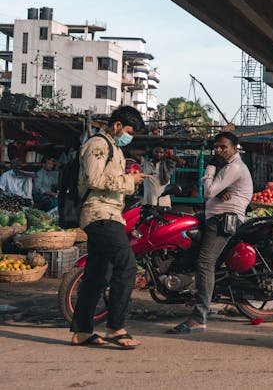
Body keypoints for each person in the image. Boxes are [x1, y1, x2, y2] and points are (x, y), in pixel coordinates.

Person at [70, 106, 150, 349]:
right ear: (116, 125)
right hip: (100, 213)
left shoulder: (113, 147)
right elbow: (94, 180)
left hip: (109, 213)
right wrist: (130, 180)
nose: (129, 136)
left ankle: (82, 332)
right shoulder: (99, 145)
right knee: (126, 265)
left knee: (97, 275)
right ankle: (116, 327)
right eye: (128, 130)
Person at [169, 131, 253, 334]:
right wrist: (216, 187)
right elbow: (214, 191)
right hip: (214, 216)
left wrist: (210, 168)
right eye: (216, 147)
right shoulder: (229, 168)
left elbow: (207, 192)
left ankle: (199, 318)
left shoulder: (233, 167)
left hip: (223, 220)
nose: (219, 150)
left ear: (234, 148)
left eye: (223, 147)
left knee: (205, 263)